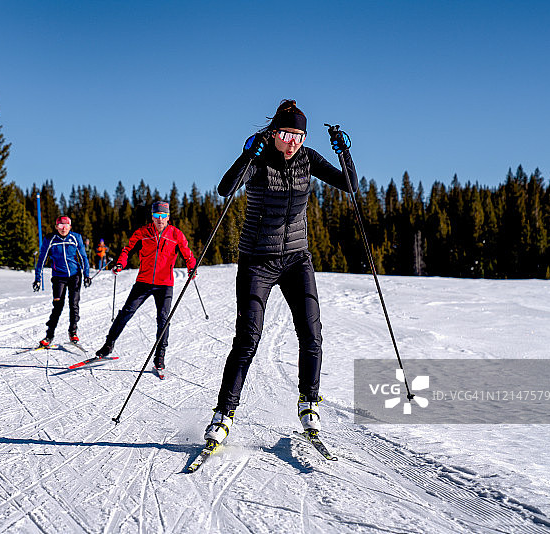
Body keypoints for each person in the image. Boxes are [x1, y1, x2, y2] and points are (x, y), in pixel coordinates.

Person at [204, 100, 358, 446]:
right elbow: (225, 188)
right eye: (287, 134)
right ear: (274, 133)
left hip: (297, 259)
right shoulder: (259, 161)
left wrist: (343, 152)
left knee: (311, 332)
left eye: (299, 136)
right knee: (247, 339)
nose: (293, 143)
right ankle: (223, 414)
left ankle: (308, 402)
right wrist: (247, 154)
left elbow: (350, 185)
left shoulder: (308, 158)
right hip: (257, 261)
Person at [95, 201, 197, 370]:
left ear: (168, 217)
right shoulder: (143, 232)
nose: (160, 219)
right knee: (126, 312)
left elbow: (187, 253)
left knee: (163, 319)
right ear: (152, 216)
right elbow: (128, 249)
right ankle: (108, 345)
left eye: (163, 216)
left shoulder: (175, 234)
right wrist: (120, 263)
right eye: (157, 216)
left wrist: (192, 267)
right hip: (143, 281)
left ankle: (160, 355)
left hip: (164, 284)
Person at [32, 216, 91, 347]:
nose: (63, 229)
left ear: (70, 227)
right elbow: (41, 259)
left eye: (66, 226)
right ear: (56, 227)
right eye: (60, 226)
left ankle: (73, 332)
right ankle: (49, 335)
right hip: (58, 277)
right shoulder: (50, 239)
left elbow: (83, 257)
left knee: (73, 304)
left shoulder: (76, 238)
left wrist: (87, 275)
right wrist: (37, 279)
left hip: (75, 275)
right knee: (58, 306)